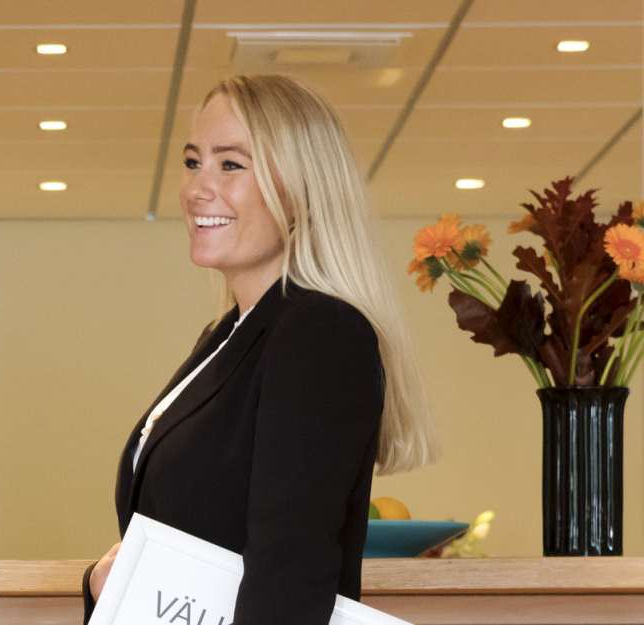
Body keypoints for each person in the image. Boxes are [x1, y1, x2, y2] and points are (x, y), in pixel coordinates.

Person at [81, 74, 439, 624]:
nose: (197, 188)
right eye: (193, 161)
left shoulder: (320, 333)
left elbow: (290, 573)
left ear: (300, 189)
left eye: (231, 164)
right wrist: (104, 581)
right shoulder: (226, 337)